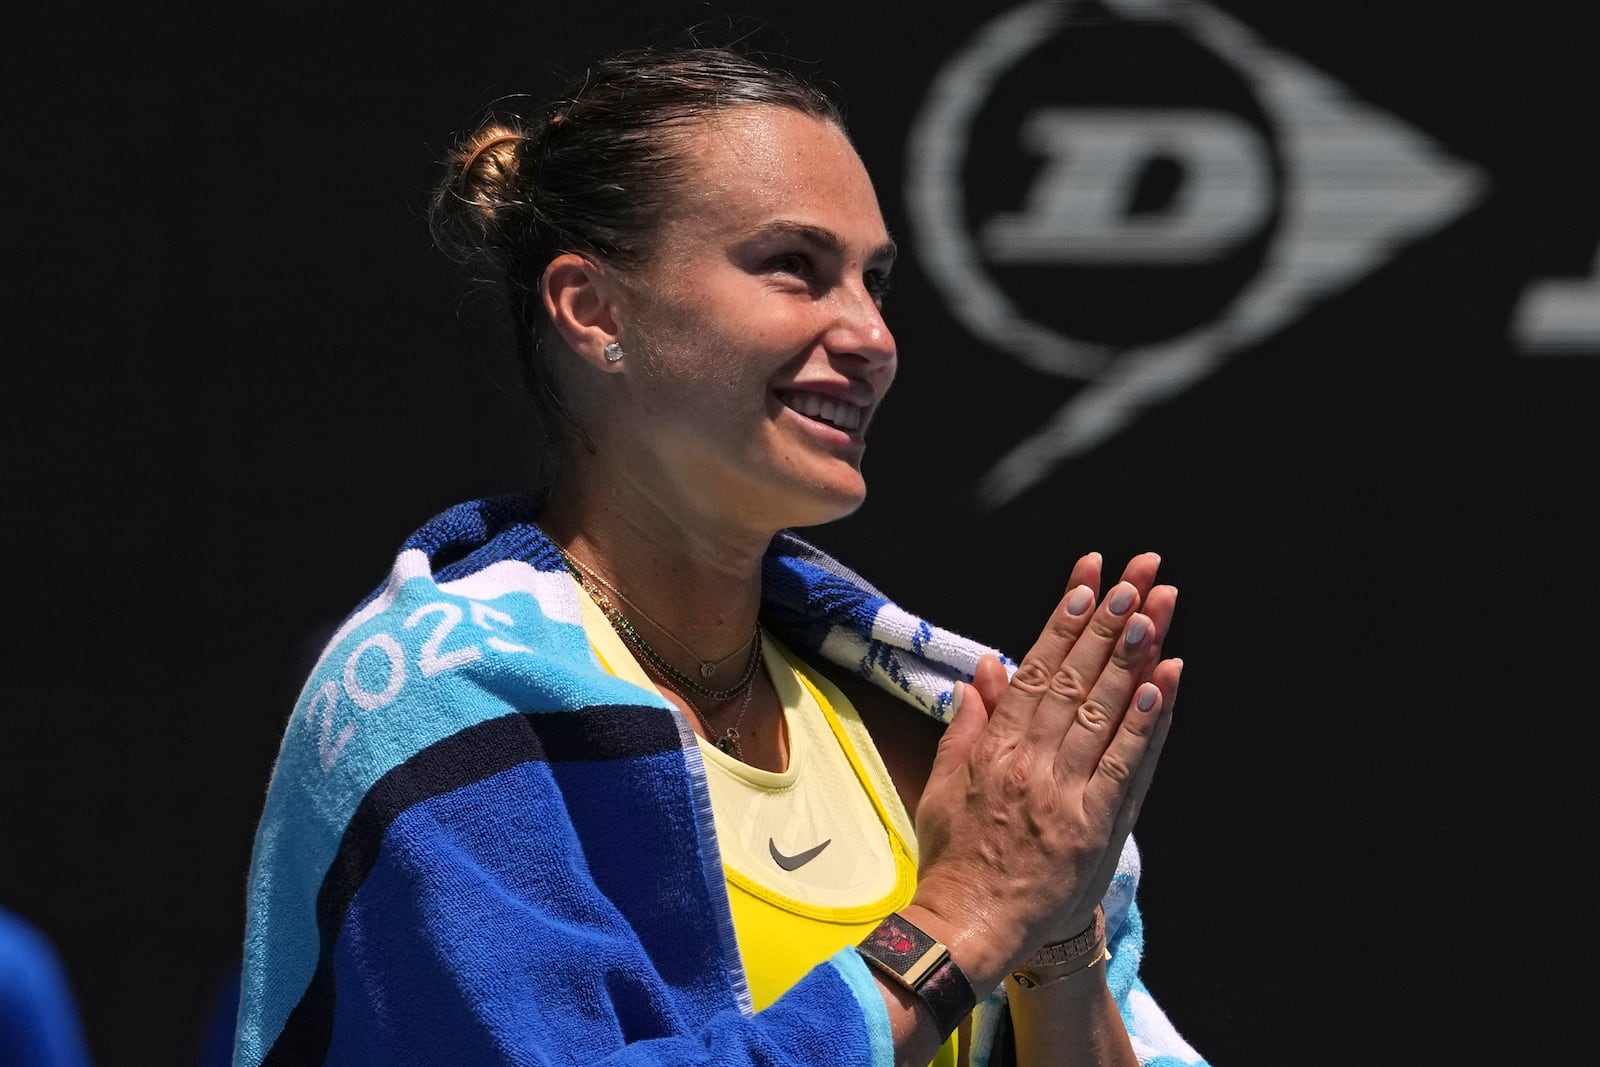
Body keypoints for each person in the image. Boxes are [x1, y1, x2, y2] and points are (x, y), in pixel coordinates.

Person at [234, 42, 1204, 1067]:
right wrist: (964, 914)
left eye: (874, 282)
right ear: (593, 309)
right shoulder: (424, 706)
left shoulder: (921, 729)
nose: (871, 333)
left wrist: (1054, 931)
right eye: (796, 266)